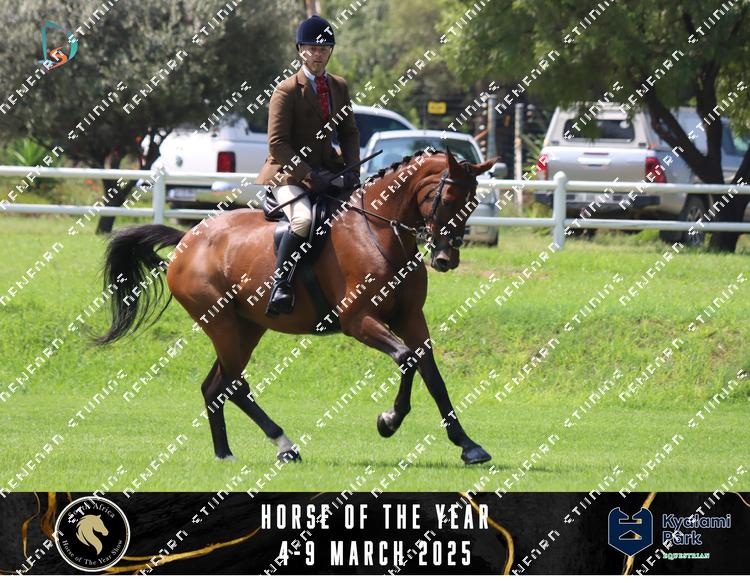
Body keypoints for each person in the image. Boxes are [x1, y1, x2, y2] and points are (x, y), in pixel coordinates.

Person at [256, 14, 360, 317]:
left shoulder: (339, 87)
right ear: (300, 50)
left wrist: (352, 171)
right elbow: (277, 144)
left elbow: (349, 132)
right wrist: (310, 175)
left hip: (329, 171)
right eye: (311, 49)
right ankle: (281, 285)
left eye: (323, 49)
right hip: (288, 174)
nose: (317, 54)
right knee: (302, 220)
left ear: (330, 51)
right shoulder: (286, 90)